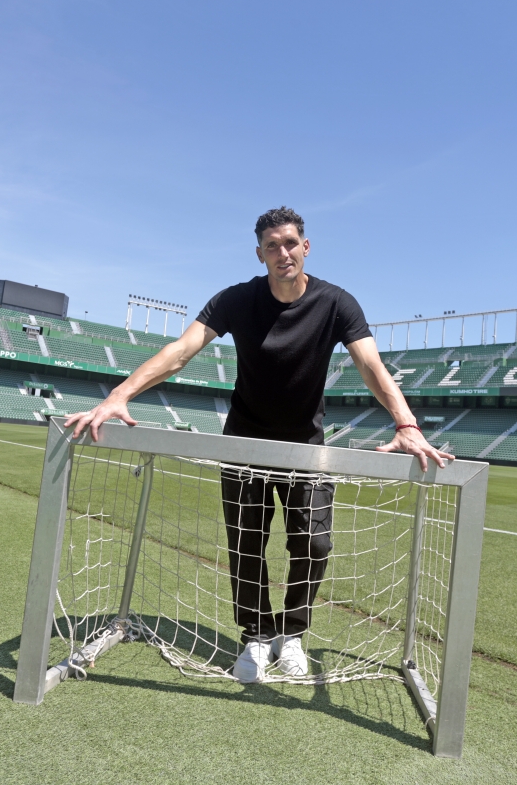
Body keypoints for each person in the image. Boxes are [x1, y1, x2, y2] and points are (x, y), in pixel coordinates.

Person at [65, 206, 454, 682]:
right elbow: (180, 352)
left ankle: (290, 635)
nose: (282, 252)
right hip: (245, 445)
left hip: (307, 447)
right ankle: (254, 636)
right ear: (260, 253)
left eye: (290, 243)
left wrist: (407, 423)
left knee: (313, 542)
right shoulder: (236, 300)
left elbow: (370, 364)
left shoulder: (337, 303)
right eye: (272, 246)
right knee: (247, 546)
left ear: (305, 247)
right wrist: (118, 395)